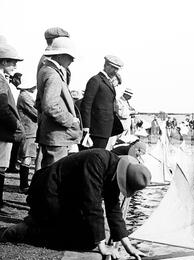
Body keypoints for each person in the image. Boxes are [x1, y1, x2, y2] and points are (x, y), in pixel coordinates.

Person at [0, 149, 151, 260]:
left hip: (66, 197)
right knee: (83, 241)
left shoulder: (113, 168)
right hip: (48, 193)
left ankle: (38, 223)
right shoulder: (97, 161)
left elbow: (113, 208)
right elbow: (92, 205)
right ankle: (22, 231)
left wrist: (128, 246)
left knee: (87, 239)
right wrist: (103, 247)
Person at [36, 37, 82, 168]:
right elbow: (50, 106)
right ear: (61, 55)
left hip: (51, 132)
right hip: (57, 134)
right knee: (53, 175)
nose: (72, 60)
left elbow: (40, 102)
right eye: (70, 56)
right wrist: (70, 120)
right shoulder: (53, 75)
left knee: (48, 174)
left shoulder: (45, 70)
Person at [80, 55, 124, 149]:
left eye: (117, 69)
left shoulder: (107, 82)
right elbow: (86, 105)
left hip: (104, 130)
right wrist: (86, 126)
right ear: (106, 65)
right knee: (92, 157)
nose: (116, 71)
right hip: (96, 130)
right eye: (114, 68)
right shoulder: (96, 80)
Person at [0, 42, 24, 208]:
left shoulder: (3, 80)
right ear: (3, 62)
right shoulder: (1, 81)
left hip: (4, 130)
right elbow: (2, 108)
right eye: (12, 62)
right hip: (3, 131)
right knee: (0, 168)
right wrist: (16, 124)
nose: (15, 65)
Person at [16, 75, 38, 193]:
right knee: (27, 158)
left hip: (29, 130)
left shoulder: (24, 95)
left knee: (28, 157)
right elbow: (36, 113)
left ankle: (24, 185)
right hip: (28, 131)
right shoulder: (25, 97)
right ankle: (23, 185)